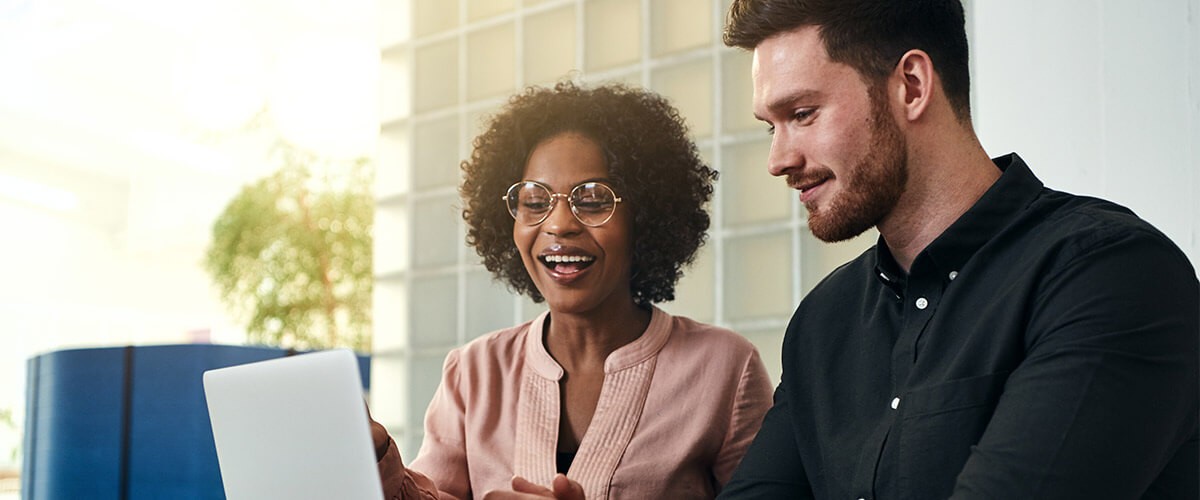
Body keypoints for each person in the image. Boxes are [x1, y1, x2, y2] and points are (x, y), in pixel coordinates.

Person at [717, 0, 1199, 498]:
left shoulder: (1111, 275)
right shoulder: (822, 323)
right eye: (770, 127)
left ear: (912, 86)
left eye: (802, 114)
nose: (778, 159)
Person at [371, 81, 774, 499]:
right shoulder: (473, 372)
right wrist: (378, 455)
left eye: (594, 199)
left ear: (645, 215)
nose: (559, 223)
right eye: (534, 200)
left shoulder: (726, 367)